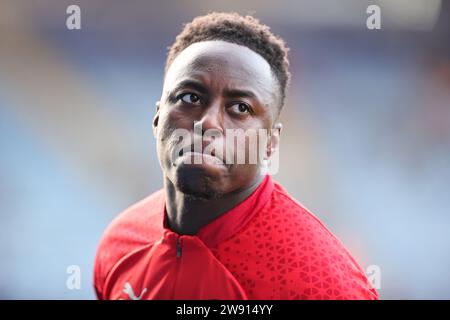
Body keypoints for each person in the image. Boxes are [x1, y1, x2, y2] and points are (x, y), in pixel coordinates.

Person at [93, 12, 378, 300]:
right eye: (190, 97)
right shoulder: (119, 245)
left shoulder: (322, 286)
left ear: (270, 143)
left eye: (240, 108)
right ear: (157, 119)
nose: (208, 123)